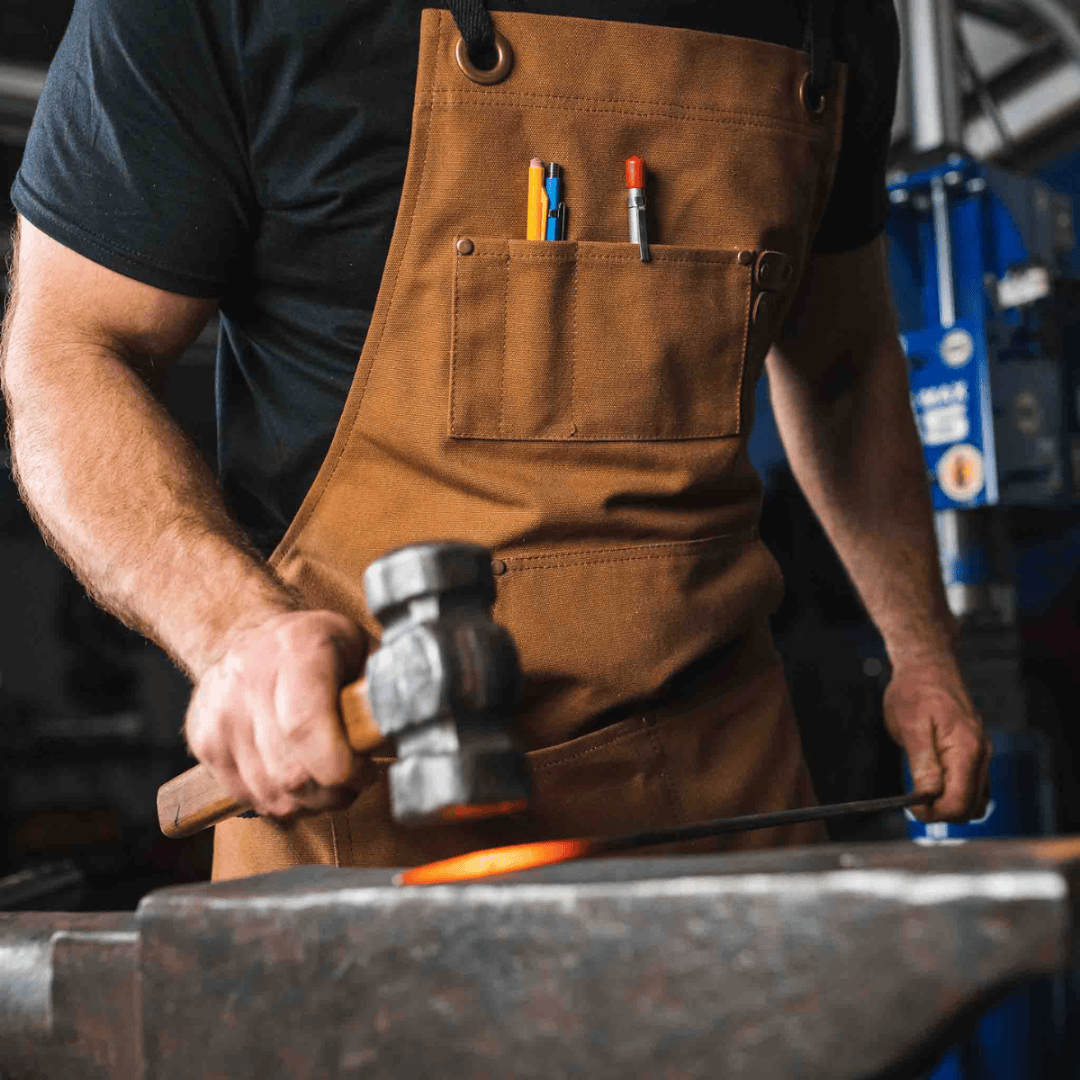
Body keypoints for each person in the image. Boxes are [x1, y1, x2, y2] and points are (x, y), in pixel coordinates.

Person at [0, 0, 990, 880]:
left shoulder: (833, 16)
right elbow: (70, 350)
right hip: (376, 821)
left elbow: (847, 367)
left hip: (735, 792)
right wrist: (232, 631)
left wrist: (922, 648)